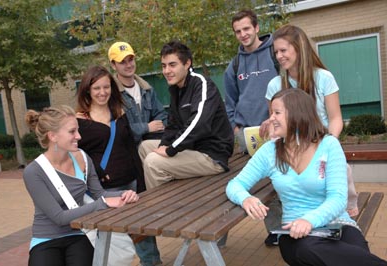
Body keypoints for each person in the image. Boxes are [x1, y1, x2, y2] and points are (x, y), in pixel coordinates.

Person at [226, 89, 387, 266]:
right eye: (271, 113)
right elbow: (235, 184)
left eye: (277, 113)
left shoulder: (329, 145)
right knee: (310, 249)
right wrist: (246, 198)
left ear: (297, 114)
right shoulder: (269, 151)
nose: (271, 118)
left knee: (357, 255)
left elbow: (338, 198)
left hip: (337, 224)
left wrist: (310, 220)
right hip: (294, 233)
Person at [23, 105, 139, 266]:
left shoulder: (83, 158)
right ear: (53, 136)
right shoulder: (33, 172)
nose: (79, 136)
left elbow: (100, 194)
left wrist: (124, 194)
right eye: (72, 132)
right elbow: (59, 218)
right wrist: (103, 204)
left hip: (77, 234)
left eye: (78, 130)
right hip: (46, 238)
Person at [264, 24, 358, 217]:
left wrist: (327, 144)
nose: (279, 56)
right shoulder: (274, 85)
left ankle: (348, 207)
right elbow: (275, 124)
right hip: (290, 148)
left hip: (321, 142)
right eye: (276, 52)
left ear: (299, 48)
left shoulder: (324, 78)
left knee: (342, 170)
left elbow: (336, 118)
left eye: (283, 50)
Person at [75, 66, 162, 266]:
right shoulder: (80, 121)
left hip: (131, 181)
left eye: (106, 87)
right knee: (111, 238)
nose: (102, 92)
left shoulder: (119, 113)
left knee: (142, 229)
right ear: (87, 89)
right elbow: (78, 158)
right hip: (106, 189)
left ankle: (152, 262)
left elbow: (131, 148)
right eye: (97, 88)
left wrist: (140, 182)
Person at [138, 41, 234, 190]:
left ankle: (162, 210)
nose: (166, 71)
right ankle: (170, 192)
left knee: (152, 161)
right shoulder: (176, 89)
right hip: (192, 149)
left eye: (172, 65)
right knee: (144, 147)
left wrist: (171, 149)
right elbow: (173, 125)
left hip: (212, 156)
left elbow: (199, 123)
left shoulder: (201, 84)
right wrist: (164, 144)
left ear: (187, 63)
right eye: (164, 66)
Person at [224, 9, 279, 152]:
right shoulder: (234, 66)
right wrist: (237, 131)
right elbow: (230, 104)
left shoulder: (276, 55)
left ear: (257, 28)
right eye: (238, 31)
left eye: (246, 28)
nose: (243, 34)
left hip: (277, 129)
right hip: (248, 137)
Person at [108, 41, 168, 144]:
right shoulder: (111, 94)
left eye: (130, 60)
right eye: (122, 62)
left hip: (150, 147)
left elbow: (161, 116)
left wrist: (156, 127)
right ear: (113, 65)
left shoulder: (147, 89)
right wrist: (146, 127)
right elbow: (116, 128)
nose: (128, 65)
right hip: (127, 152)